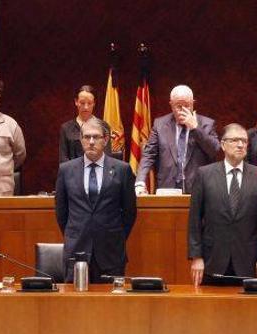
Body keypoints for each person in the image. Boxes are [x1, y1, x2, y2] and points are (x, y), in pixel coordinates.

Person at [188, 124, 257, 285]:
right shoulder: (204, 175)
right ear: (222, 144)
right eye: (235, 140)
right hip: (212, 260)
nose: (240, 145)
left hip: (248, 262)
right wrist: (196, 257)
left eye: (244, 141)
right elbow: (194, 220)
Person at [55, 118, 137, 282]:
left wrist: (114, 236)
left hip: (110, 252)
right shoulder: (66, 170)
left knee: (111, 305)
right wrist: (76, 233)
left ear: (105, 139)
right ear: (81, 139)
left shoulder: (122, 169)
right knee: (75, 305)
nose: (91, 142)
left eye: (96, 137)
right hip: (77, 251)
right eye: (86, 137)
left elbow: (130, 212)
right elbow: (61, 212)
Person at [136, 85, 220, 194]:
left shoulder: (207, 124)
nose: (182, 110)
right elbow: (148, 155)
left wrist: (195, 128)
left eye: (187, 105)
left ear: (193, 103)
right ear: (171, 105)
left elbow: (214, 150)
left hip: (198, 189)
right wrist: (140, 181)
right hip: (167, 189)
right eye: (178, 106)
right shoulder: (160, 124)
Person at [58, 85, 118, 163]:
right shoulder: (66, 128)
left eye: (89, 103)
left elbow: (107, 157)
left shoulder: (104, 126)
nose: (86, 107)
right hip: (73, 173)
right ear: (76, 102)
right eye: (82, 103)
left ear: (94, 103)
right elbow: (63, 159)